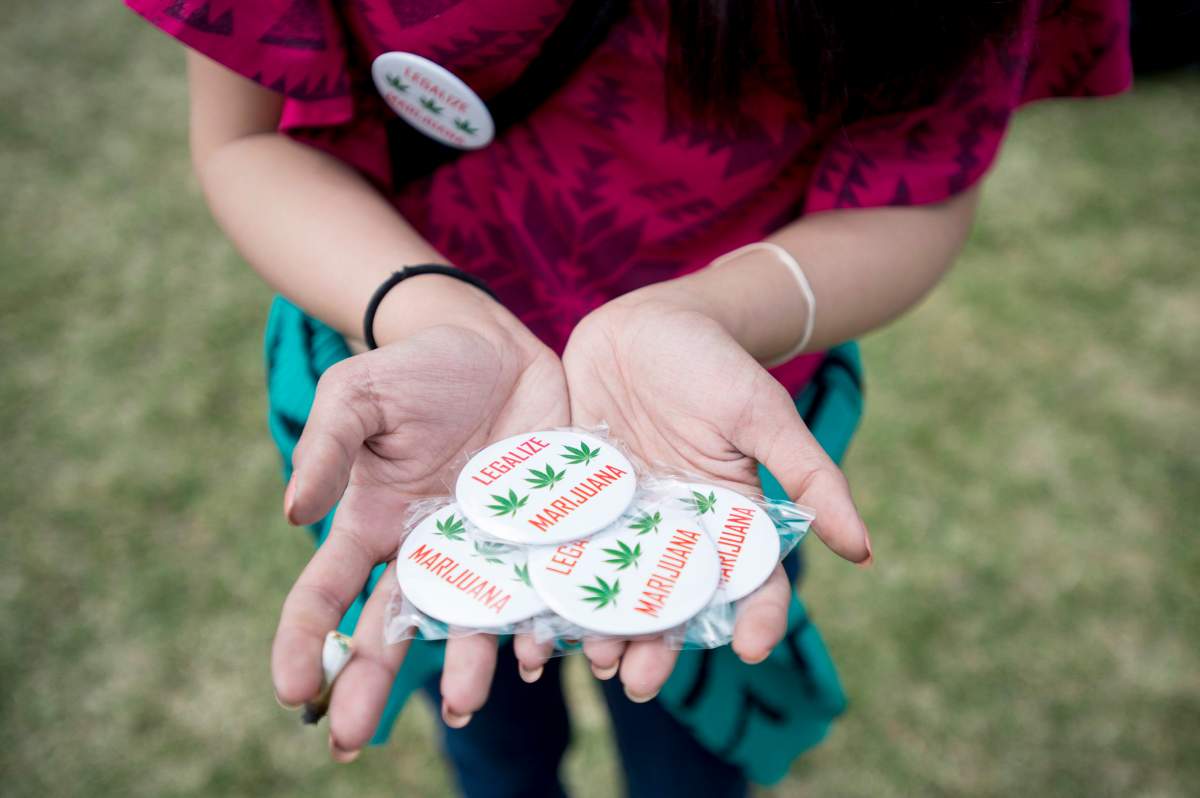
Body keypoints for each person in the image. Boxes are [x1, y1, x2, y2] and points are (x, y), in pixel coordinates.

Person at [127, 1, 1131, 795]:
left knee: (690, 746)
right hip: (414, 426)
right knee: (484, 722)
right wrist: (426, 312)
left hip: (704, 443)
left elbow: (919, 184)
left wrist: (712, 313)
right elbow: (245, 137)